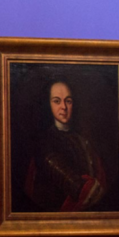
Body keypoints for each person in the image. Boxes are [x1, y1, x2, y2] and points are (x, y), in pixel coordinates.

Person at [24, 79, 106, 211]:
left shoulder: (81, 140)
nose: (64, 107)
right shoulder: (45, 141)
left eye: (68, 101)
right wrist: (83, 188)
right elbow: (61, 172)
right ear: (48, 104)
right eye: (57, 101)